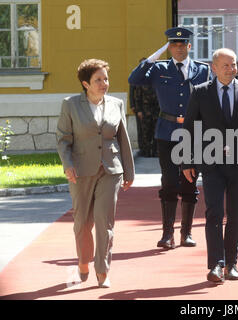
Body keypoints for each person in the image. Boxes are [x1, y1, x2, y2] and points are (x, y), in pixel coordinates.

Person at [182, 48, 238, 283]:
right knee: (214, 213)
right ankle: (216, 265)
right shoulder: (200, 93)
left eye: (234, 65)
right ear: (214, 68)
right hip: (211, 163)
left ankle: (232, 263)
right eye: (226, 65)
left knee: (236, 216)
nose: (231, 69)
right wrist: (187, 161)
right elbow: (190, 128)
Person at [128, 27, 212, 249]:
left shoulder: (202, 70)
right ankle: (167, 234)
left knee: (190, 181)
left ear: (189, 47)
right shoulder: (159, 68)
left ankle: (186, 233)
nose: (179, 48)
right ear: (169, 47)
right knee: (169, 181)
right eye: (174, 44)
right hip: (167, 132)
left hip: (194, 133)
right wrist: (154, 55)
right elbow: (134, 78)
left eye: (182, 44)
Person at [56, 58, 135, 288]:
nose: (104, 83)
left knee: (105, 222)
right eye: (98, 80)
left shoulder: (116, 104)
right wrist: (67, 164)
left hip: (111, 170)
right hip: (80, 171)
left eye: (106, 79)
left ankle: (102, 270)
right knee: (82, 224)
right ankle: (83, 260)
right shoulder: (70, 105)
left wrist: (129, 170)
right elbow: (63, 139)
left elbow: (123, 139)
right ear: (85, 83)